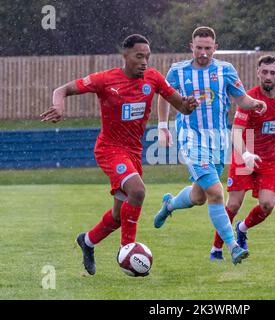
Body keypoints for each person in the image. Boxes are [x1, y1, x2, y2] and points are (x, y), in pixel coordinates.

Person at [40, 34, 198, 275]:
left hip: (133, 153)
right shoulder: (105, 80)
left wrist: (188, 104)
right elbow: (62, 90)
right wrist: (59, 105)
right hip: (109, 149)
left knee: (117, 215)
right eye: (139, 56)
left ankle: (88, 241)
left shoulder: (153, 79)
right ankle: (128, 250)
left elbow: (182, 107)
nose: (144, 61)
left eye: (147, 56)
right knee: (138, 191)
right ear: (125, 56)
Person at [153, 26, 267, 265]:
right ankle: (233, 246)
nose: (203, 53)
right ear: (191, 47)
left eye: (208, 48)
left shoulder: (225, 70)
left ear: (215, 47)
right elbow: (164, 96)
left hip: (217, 141)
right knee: (216, 192)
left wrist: (255, 103)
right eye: (199, 48)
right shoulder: (177, 71)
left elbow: (241, 98)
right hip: (190, 138)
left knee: (199, 197)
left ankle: (169, 204)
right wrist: (163, 125)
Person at [208, 55, 275, 260]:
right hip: (244, 155)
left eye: (273, 72)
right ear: (258, 73)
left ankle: (242, 227)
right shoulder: (249, 99)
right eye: (265, 72)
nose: (268, 76)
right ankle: (216, 249)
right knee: (233, 204)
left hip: (268, 160)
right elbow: (236, 131)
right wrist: (246, 154)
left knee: (267, 205)